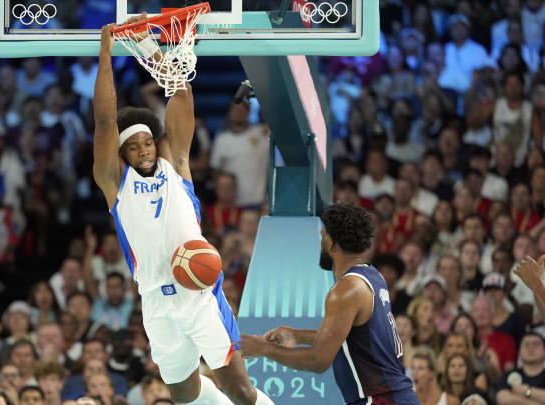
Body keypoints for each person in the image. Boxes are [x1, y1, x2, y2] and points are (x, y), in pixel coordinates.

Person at [91, 16, 273, 405]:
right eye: (133, 146)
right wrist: (106, 50)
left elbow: (183, 95)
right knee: (185, 394)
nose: (143, 149)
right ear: (121, 154)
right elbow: (105, 121)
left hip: (199, 291)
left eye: (147, 142)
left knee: (241, 391)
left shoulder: (176, 164)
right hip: (156, 299)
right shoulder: (115, 183)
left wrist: (149, 46)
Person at [239, 203, 418, 404]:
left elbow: (318, 360)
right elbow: (353, 337)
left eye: (323, 236)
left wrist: (263, 349)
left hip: (380, 399)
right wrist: (297, 336)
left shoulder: (346, 289)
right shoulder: (372, 276)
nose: (321, 243)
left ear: (332, 243)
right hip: (396, 396)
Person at [495, 332, 545, 404]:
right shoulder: (509, 374)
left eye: (536, 344)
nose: (531, 348)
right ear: (519, 352)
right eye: (526, 345)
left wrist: (526, 391)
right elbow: (503, 399)